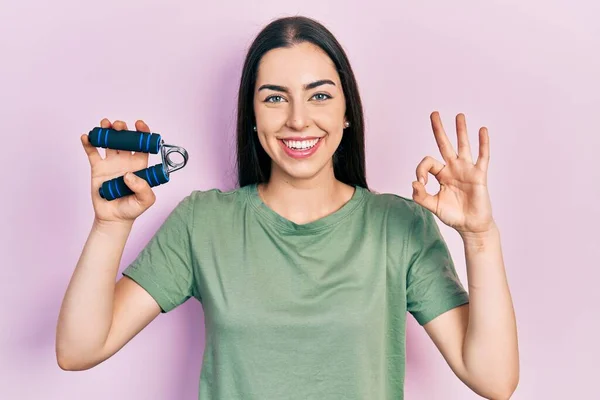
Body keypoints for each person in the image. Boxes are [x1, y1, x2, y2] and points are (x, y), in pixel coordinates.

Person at [56, 15, 519, 400]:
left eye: (319, 95)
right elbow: (79, 349)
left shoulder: (398, 226)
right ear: (253, 116)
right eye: (275, 98)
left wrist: (480, 237)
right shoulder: (204, 222)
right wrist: (109, 225)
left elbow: (493, 379)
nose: (298, 118)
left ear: (346, 112)